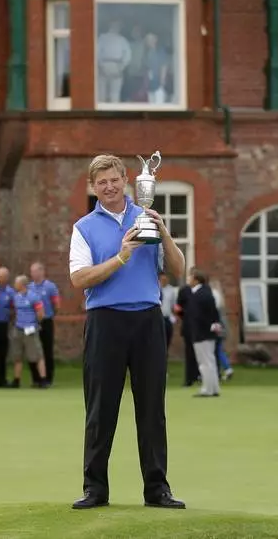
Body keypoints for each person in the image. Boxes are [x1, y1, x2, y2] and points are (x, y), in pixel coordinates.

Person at [69, 154, 185, 511]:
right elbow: (79, 278)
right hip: (105, 321)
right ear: (94, 187)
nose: (109, 187)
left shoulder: (146, 218)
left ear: (126, 181)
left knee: (152, 408)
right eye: (101, 182)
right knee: (101, 408)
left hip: (147, 319)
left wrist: (163, 231)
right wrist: (120, 257)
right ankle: (95, 489)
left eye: (113, 180)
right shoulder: (84, 227)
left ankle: (157, 489)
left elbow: (179, 271)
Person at [184, 269, 222, 398]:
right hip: (207, 332)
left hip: (202, 333)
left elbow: (200, 316)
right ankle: (214, 388)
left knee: (204, 362)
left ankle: (207, 389)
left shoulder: (199, 294)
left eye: (190, 277)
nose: (188, 280)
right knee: (210, 360)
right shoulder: (206, 292)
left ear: (196, 279)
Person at [9, 275, 49, 389]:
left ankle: (43, 379)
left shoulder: (34, 297)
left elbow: (41, 313)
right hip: (18, 329)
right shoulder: (15, 297)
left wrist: (35, 323)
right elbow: (14, 311)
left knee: (37, 355)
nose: (14, 285)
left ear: (22, 284)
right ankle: (16, 380)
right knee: (17, 355)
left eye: (16, 283)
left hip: (30, 329)